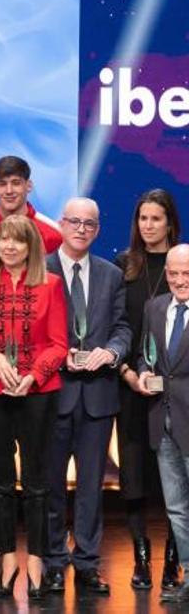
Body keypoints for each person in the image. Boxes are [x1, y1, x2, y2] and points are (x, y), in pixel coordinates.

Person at [0, 215, 68, 601]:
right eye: (3, 240)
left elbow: (59, 344)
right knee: (0, 482)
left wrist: (34, 375)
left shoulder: (50, 285)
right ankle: (8, 561)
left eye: (17, 241)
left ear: (30, 247)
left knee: (38, 483)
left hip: (37, 392)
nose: (9, 246)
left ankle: (36, 562)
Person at [42, 198, 130, 596]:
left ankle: (88, 563)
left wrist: (111, 352)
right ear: (61, 225)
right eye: (74, 221)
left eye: (89, 224)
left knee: (92, 487)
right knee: (51, 485)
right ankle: (53, 561)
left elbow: (123, 327)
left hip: (98, 395)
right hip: (53, 393)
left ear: (97, 230)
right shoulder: (40, 270)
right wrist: (54, 355)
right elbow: (31, 329)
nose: (81, 229)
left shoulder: (112, 275)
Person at [116, 189, 182, 591]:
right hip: (130, 384)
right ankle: (141, 557)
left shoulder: (183, 265)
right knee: (134, 473)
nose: (148, 226)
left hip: (178, 390)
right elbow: (116, 326)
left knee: (176, 478)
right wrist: (127, 372)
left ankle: (174, 559)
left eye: (156, 218)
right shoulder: (123, 267)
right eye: (143, 218)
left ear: (170, 222)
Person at [137, 244, 189, 604]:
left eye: (187, 274)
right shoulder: (154, 307)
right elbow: (146, 354)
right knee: (176, 508)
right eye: (173, 273)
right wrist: (143, 373)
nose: (180, 280)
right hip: (162, 419)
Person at [0, 155, 62, 269]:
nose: (9, 191)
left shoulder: (54, 233)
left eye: (16, 183)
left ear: (29, 186)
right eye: (3, 184)